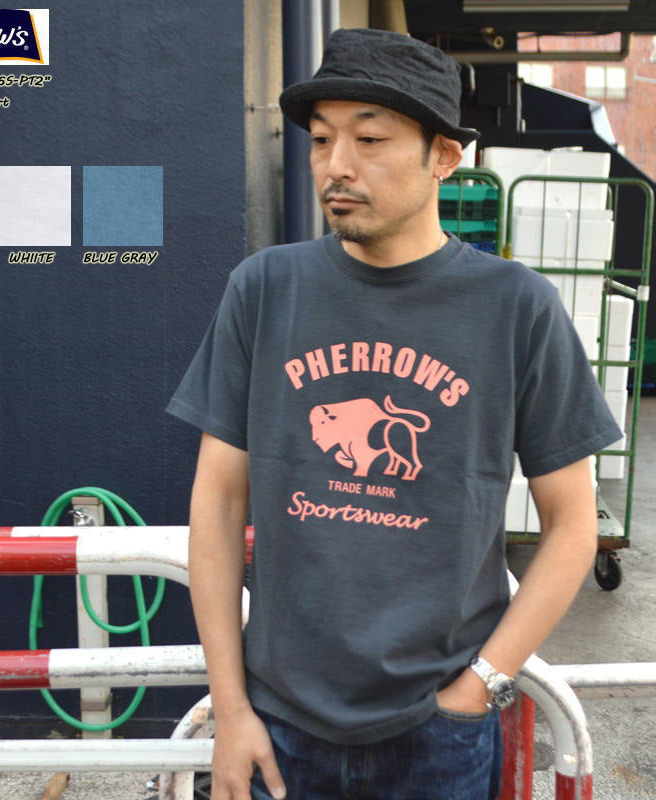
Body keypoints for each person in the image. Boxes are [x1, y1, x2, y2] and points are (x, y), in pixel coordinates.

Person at [165, 27, 623, 800]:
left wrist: (480, 686)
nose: (336, 165)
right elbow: (215, 502)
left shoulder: (517, 309)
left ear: (444, 156)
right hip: (278, 722)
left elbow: (573, 525)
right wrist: (231, 707)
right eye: (321, 140)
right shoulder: (264, 291)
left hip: (439, 728)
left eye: (370, 139)